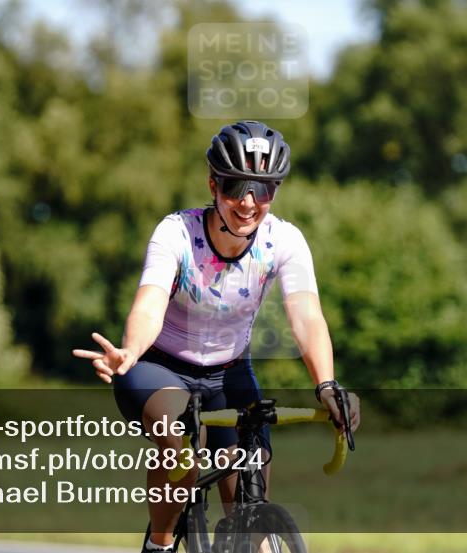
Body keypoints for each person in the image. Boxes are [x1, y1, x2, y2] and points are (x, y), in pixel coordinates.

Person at [73, 120, 360, 552]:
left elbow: (307, 318)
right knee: (182, 451)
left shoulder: (285, 241)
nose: (247, 202)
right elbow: (149, 302)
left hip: (229, 374)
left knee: (249, 505)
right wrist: (130, 349)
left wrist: (326, 385)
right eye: (234, 186)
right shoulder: (177, 233)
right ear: (212, 184)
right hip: (158, 368)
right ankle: (162, 543)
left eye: (262, 189)